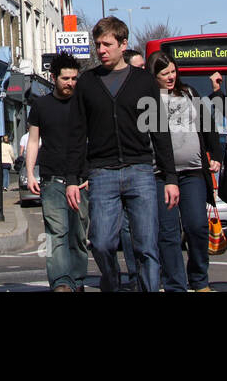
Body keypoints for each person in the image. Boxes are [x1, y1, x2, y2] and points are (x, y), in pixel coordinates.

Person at [64, 16, 178, 293]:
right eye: (98, 44)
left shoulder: (144, 82)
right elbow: (77, 133)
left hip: (140, 169)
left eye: (107, 44)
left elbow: (159, 131)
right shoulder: (88, 82)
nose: (101, 50)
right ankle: (112, 282)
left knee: (146, 246)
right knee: (101, 243)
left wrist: (170, 176)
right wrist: (71, 178)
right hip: (102, 173)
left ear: (123, 44)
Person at [150, 51, 222, 292]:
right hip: (161, 175)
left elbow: (207, 124)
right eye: (164, 74)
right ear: (154, 76)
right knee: (168, 233)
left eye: (172, 71)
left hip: (192, 172)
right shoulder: (149, 100)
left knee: (197, 227)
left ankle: (199, 279)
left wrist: (217, 155)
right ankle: (175, 284)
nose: (170, 77)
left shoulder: (189, 93)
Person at [25, 60, 90, 291]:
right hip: (52, 179)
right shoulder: (41, 106)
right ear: (54, 77)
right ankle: (61, 283)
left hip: (81, 180)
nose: (70, 83)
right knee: (56, 232)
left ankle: (78, 280)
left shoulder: (83, 104)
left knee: (78, 235)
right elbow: (33, 141)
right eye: (65, 78)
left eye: (74, 79)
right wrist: (30, 173)